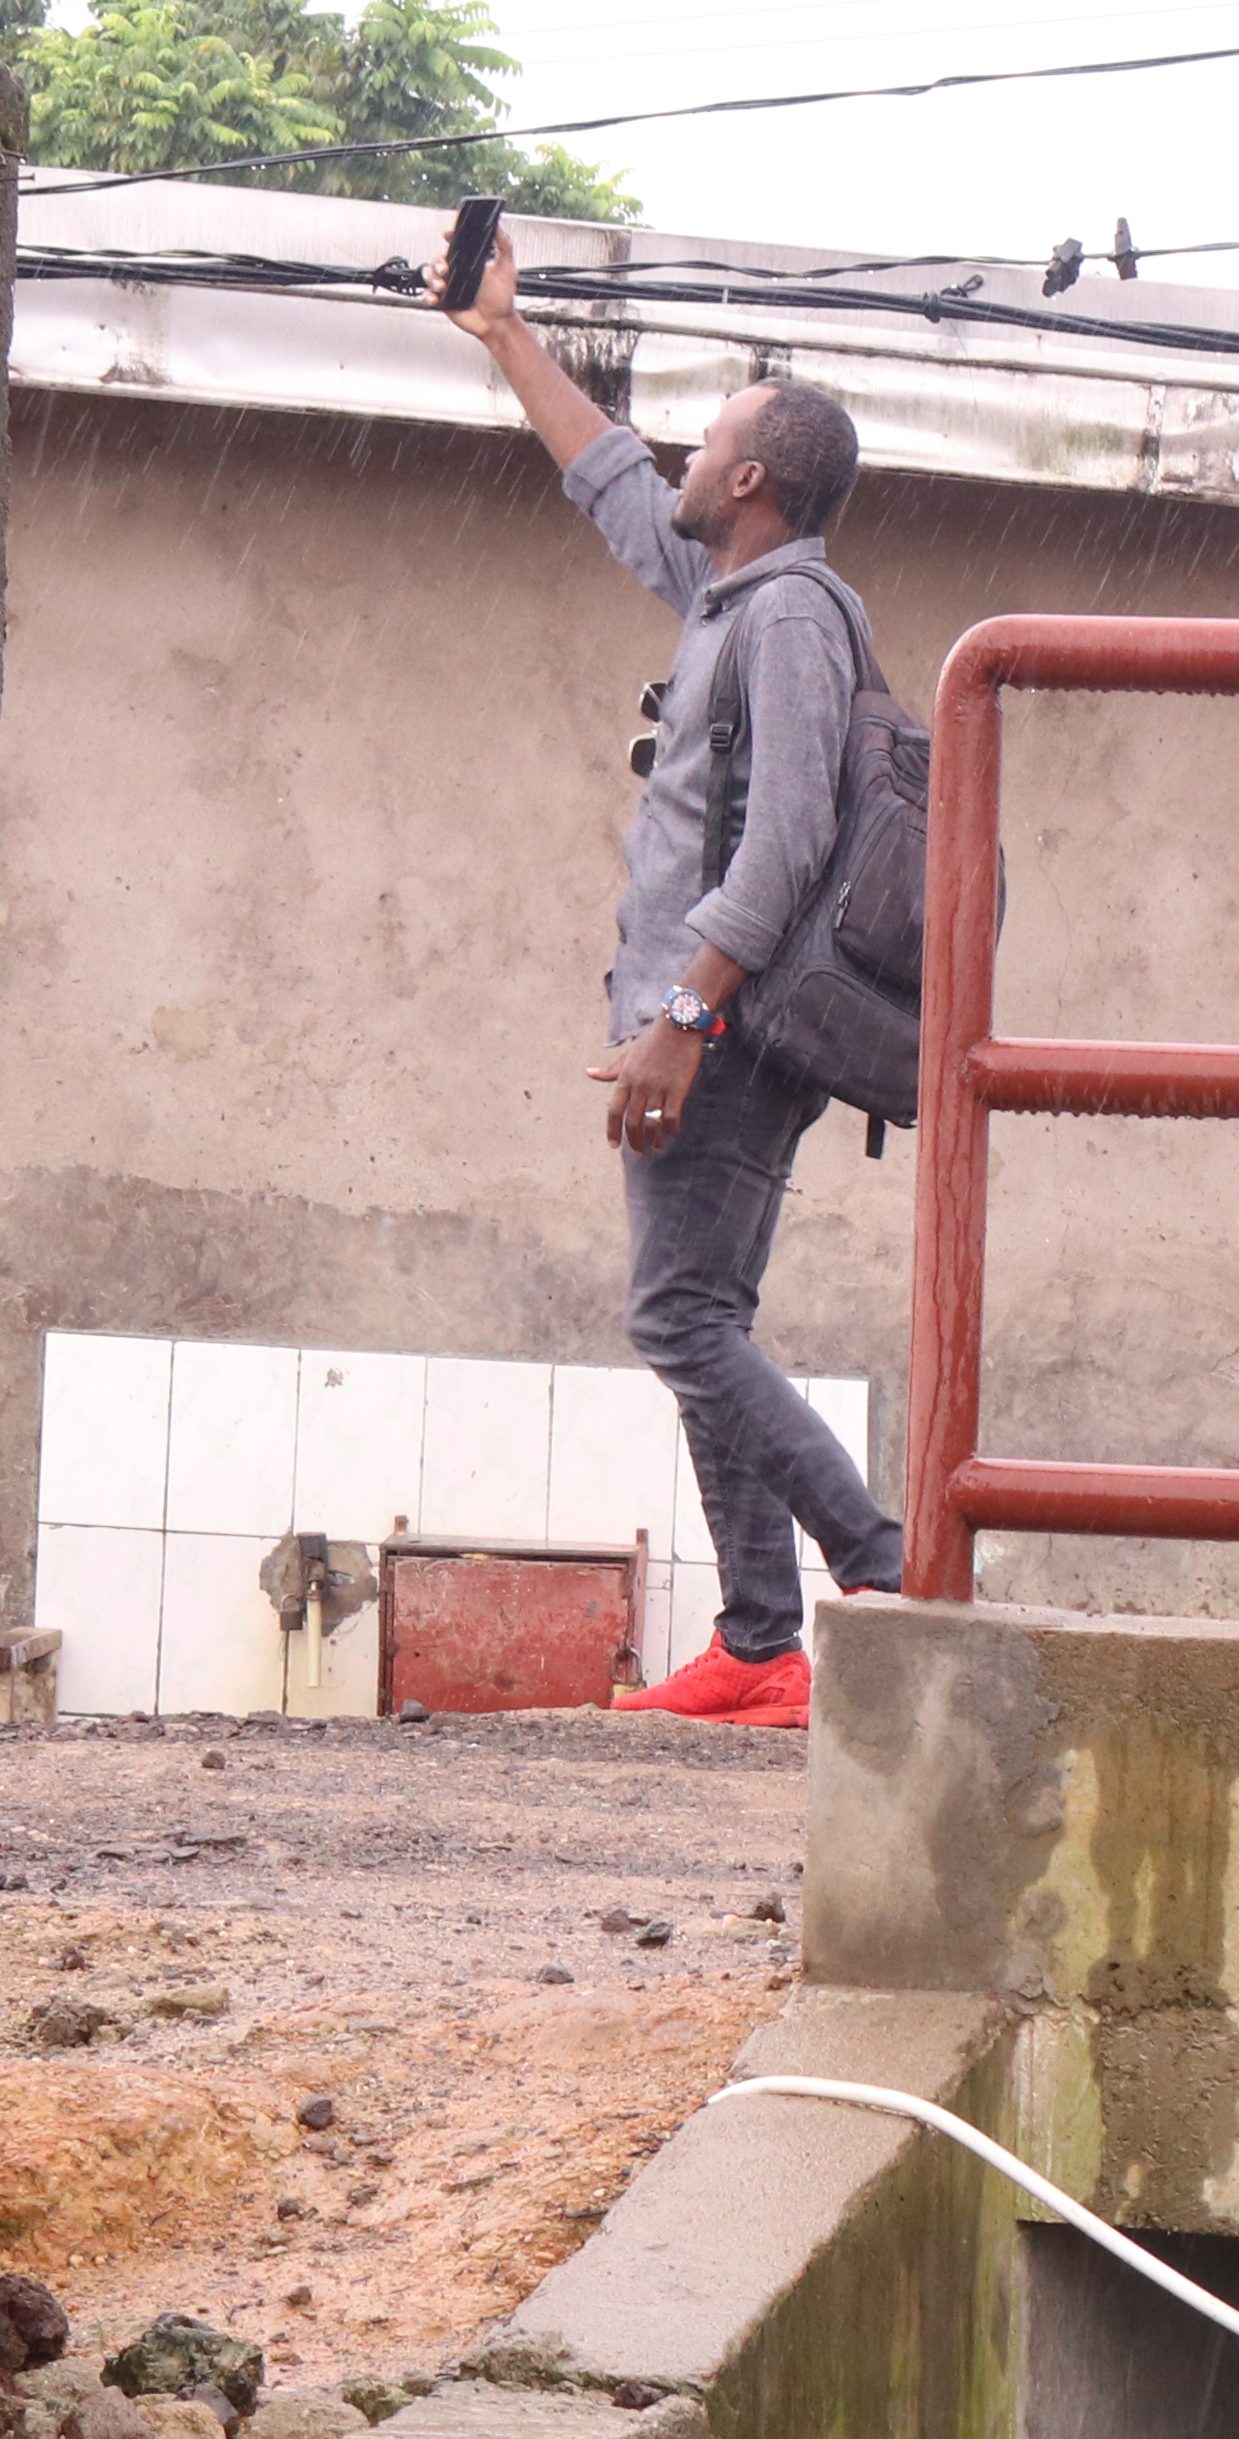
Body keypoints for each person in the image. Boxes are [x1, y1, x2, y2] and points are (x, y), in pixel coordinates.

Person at [453, 222, 904, 1729]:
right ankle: (762, 1645)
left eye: (707, 444)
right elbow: (613, 487)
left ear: (758, 479)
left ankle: (889, 1578)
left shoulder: (788, 618)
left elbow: (785, 841)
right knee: (704, 1313)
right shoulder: (727, 593)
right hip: (703, 1020)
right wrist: (506, 337)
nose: (684, 462)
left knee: (680, 1324)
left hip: (724, 1026)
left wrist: (684, 1017)